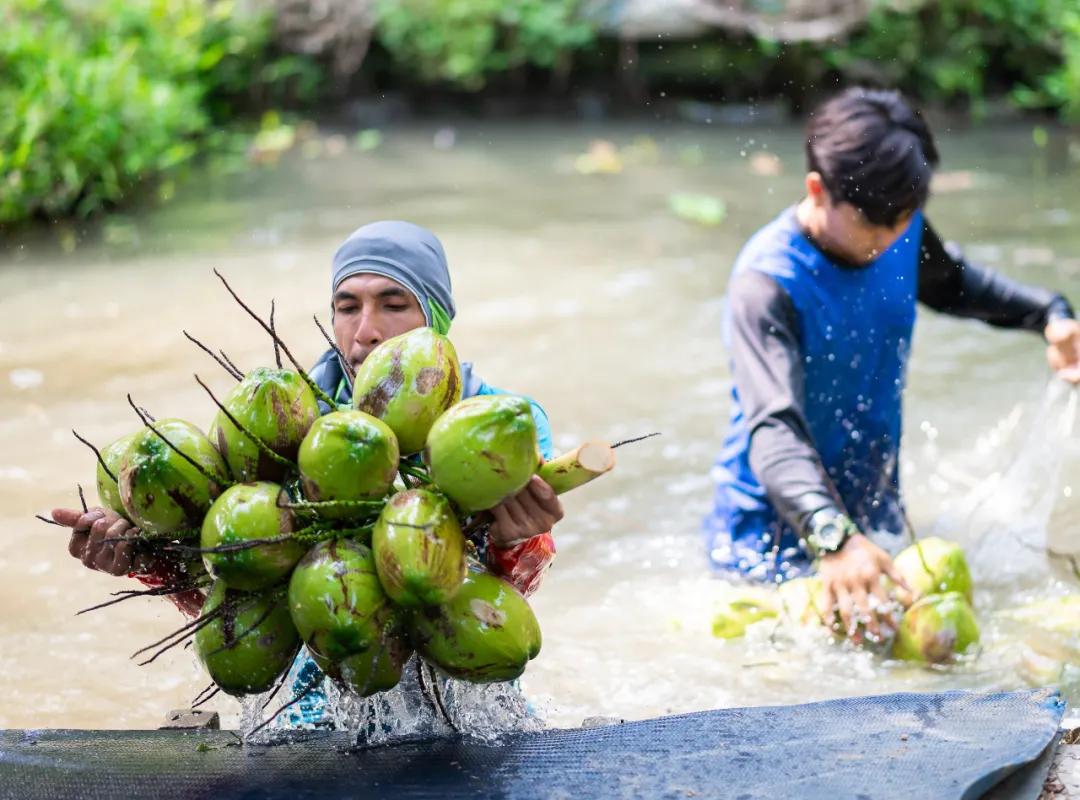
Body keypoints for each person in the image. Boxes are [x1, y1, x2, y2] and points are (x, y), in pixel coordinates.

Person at [52, 220, 563, 724]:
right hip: (309, 715)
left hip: (464, 702)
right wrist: (149, 554)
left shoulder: (504, 427)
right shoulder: (280, 425)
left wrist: (517, 541)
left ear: (436, 320)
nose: (366, 331)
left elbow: (510, 586)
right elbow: (232, 580)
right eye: (348, 307)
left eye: (393, 305)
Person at [704, 88, 1080, 641]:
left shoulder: (897, 226)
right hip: (773, 541)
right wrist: (833, 538)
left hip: (871, 524)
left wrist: (1049, 314)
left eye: (903, 220)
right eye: (873, 223)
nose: (888, 239)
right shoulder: (766, 285)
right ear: (818, 189)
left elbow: (956, 285)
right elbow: (774, 428)